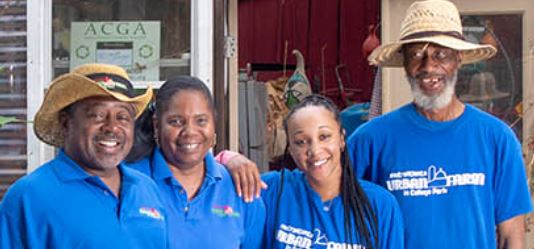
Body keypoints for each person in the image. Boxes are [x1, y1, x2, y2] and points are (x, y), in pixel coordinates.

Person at [348, 0, 532, 248]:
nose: (428, 66)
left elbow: (512, 235)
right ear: (404, 64)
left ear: (458, 58)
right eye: (416, 54)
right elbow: (340, 221)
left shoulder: (497, 138)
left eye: (441, 54)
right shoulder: (370, 140)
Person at [0, 64, 167, 248]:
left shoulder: (146, 188)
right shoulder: (29, 197)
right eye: (97, 115)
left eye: (122, 117)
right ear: (66, 123)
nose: (112, 127)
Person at [227, 94, 404, 248]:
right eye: (301, 142)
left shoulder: (379, 204)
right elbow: (213, 192)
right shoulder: (272, 189)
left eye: (324, 137)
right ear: (290, 148)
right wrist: (229, 159)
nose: (315, 150)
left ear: (342, 139)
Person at [126, 76, 265, 248]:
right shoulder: (128, 182)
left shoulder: (243, 190)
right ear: (157, 125)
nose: (190, 132)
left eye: (201, 121)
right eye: (176, 121)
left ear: (214, 124)